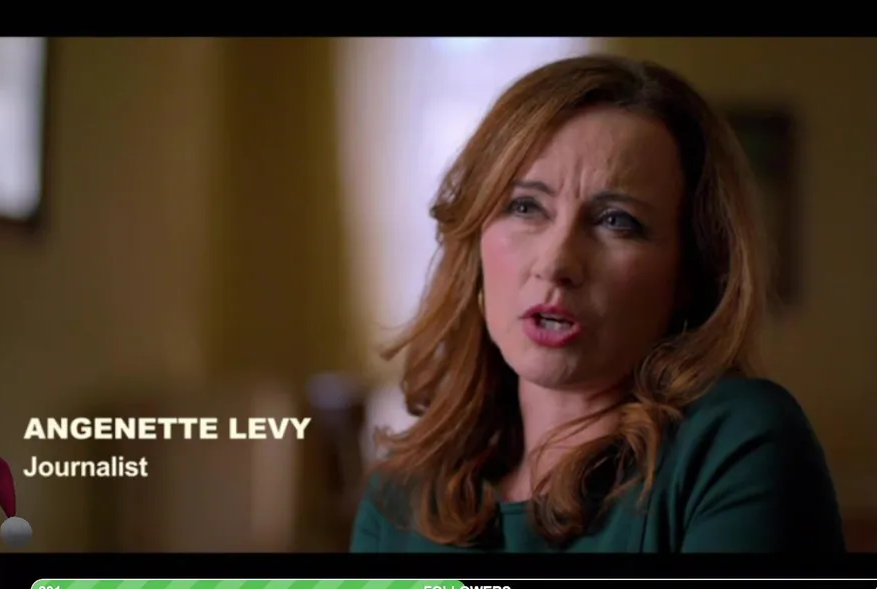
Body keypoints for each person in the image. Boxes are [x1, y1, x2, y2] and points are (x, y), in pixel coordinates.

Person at [350, 54, 845, 553]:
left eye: (616, 221)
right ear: (475, 240)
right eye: (526, 207)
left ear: (691, 272)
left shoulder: (735, 442)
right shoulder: (398, 500)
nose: (556, 263)